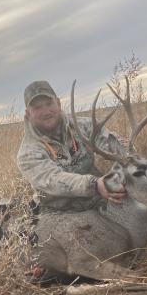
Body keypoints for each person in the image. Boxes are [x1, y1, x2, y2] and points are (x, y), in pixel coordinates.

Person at [17, 80, 127, 213]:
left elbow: (108, 143)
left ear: (58, 103)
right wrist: (94, 184)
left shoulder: (84, 125)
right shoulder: (28, 153)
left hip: (100, 198)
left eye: (49, 103)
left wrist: (123, 151)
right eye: (37, 107)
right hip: (61, 212)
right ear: (28, 114)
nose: (45, 111)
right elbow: (53, 180)